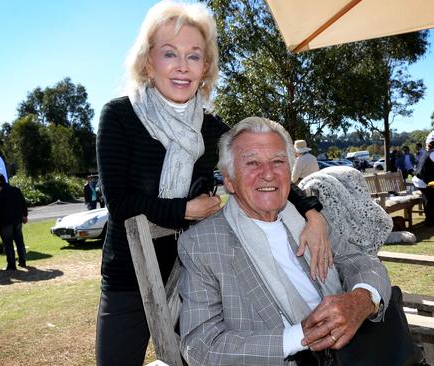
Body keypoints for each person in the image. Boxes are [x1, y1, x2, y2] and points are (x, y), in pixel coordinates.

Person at [94, 3, 331, 364]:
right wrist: (183, 210)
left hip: (191, 272)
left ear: (205, 67)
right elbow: (120, 203)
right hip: (129, 275)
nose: (182, 65)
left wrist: (312, 213)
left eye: (194, 56)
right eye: (169, 53)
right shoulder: (119, 116)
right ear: (147, 62)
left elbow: (264, 168)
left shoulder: (211, 127)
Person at [179, 117, 417, 366]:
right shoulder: (202, 244)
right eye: (252, 163)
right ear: (229, 180)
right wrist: (300, 336)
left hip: (354, 354)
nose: (268, 174)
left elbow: (362, 262)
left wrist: (361, 299)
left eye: (278, 162)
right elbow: (200, 344)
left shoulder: (310, 222)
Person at [0, 173, 28, 270]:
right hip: (17, 220)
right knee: (19, 241)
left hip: (4, 222)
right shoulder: (16, 190)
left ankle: (11, 265)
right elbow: (23, 203)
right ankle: (22, 261)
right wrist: (25, 215)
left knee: (8, 243)